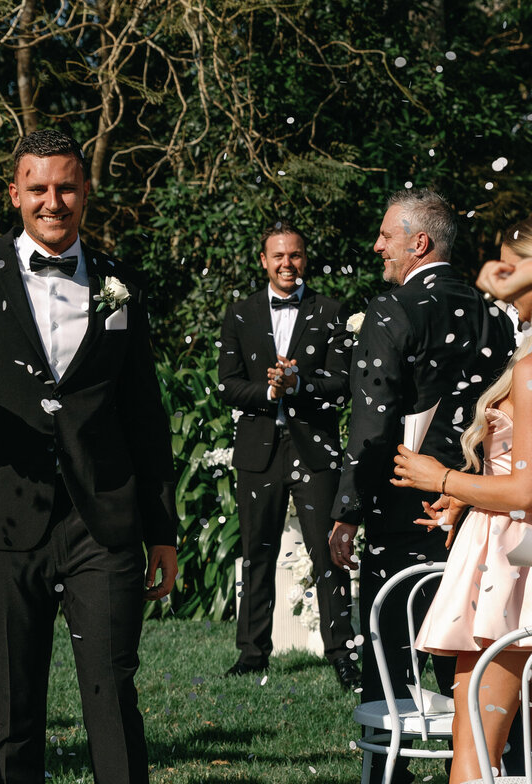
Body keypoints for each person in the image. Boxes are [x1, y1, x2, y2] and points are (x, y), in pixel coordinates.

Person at [0, 129, 177, 784]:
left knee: (113, 693)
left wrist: (161, 530)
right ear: (14, 194)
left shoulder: (121, 282)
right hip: (0, 514)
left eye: (66, 187)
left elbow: (144, 412)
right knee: (14, 707)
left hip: (101, 520)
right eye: (38, 188)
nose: (53, 201)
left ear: (85, 191)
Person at [328, 189, 514, 784]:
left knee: (393, 644)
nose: (377, 245)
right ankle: (484, 762)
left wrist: (348, 509)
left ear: (420, 243)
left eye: (387, 236)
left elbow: (372, 422)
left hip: (404, 506)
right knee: (472, 647)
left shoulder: (393, 309)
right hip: (478, 510)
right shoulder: (495, 314)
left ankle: (390, 772)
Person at [389, 215, 532, 784]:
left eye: (510, 265)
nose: (495, 275)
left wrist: (443, 479)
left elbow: (526, 490)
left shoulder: (530, 372)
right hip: (507, 549)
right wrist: (472, 500)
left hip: (512, 570)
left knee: (475, 751)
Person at [216, 220, 358, 688]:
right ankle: (252, 655)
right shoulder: (240, 313)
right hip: (259, 451)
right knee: (256, 553)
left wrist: (300, 385)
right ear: (264, 260)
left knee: (328, 554)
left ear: (304, 258)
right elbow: (228, 385)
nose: (287, 264)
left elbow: (343, 384)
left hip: (313, 448)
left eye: (294, 255)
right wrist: (269, 392)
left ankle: (342, 654)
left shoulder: (331, 311)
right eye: (278, 255)